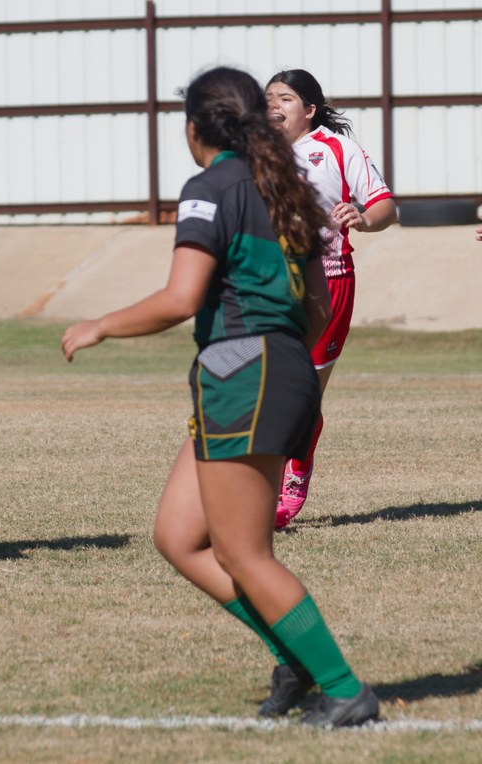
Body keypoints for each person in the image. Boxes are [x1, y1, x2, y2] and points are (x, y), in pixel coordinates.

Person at [62, 66, 379, 727]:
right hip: (282, 367)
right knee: (179, 537)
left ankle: (344, 689)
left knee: (242, 553)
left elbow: (180, 298)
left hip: (245, 372)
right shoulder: (285, 183)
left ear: (193, 129)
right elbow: (319, 303)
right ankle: (296, 660)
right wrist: (286, 358)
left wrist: (99, 324)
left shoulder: (211, 187)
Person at [265, 69, 397, 530]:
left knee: (304, 396)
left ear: (310, 109)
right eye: (268, 99)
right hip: (272, 284)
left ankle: (297, 471)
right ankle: (261, 486)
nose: (274, 106)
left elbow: (386, 209)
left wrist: (361, 216)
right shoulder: (256, 153)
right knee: (267, 388)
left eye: (284, 98)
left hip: (330, 281)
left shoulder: (338, 149)